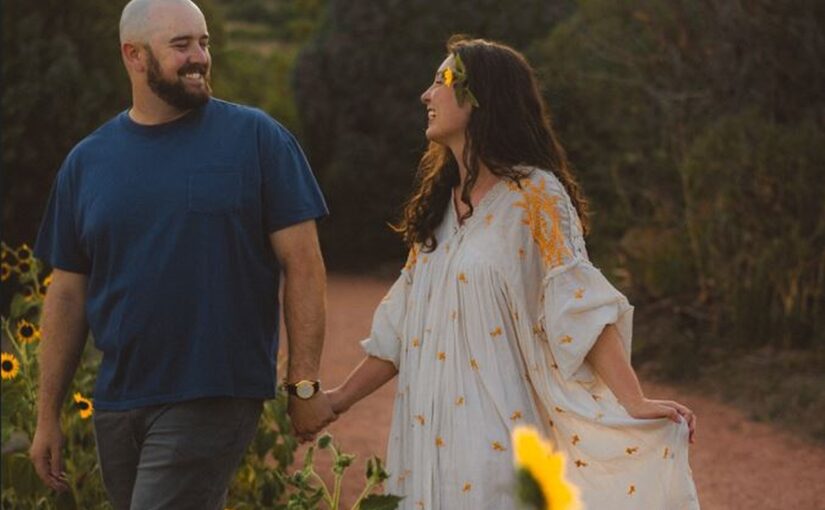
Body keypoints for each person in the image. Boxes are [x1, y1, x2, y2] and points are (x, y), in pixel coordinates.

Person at [326, 37, 700, 509]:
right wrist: (335, 401)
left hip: (499, 437)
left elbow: (576, 297)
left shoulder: (535, 196)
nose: (426, 95)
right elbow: (399, 329)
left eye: (441, 80)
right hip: (423, 436)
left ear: (484, 97)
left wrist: (634, 401)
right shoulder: (438, 209)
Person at [28, 0, 335, 508]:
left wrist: (301, 385)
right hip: (118, 401)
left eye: (204, 42)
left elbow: (304, 264)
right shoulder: (87, 162)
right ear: (134, 55)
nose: (199, 57)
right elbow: (67, 293)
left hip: (212, 389)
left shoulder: (257, 139)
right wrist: (46, 416)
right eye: (181, 45)